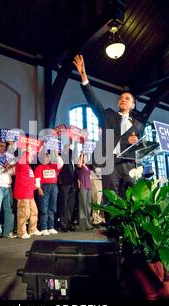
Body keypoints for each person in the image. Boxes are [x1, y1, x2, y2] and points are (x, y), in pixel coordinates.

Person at [73, 55, 144, 204]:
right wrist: (83, 76)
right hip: (110, 164)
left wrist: (135, 143)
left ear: (133, 105)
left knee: (133, 199)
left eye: (127, 98)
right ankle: (112, 227)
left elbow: (140, 148)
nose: (123, 99)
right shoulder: (108, 115)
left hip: (130, 165)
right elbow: (94, 102)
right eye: (121, 98)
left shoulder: (138, 125)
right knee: (111, 201)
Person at [0, 140, 17, 241]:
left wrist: (10, 168)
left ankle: (8, 232)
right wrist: (3, 168)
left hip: (8, 187)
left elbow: (13, 172)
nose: (2, 148)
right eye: (0, 146)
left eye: (4, 146)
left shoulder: (9, 157)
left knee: (9, 210)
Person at [14, 149, 42, 239]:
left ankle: (32, 229)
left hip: (30, 194)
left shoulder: (28, 167)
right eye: (30, 156)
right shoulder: (21, 164)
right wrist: (28, 149)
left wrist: (34, 185)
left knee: (34, 212)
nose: (32, 157)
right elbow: (23, 157)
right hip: (22, 193)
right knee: (24, 213)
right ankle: (21, 232)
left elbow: (30, 178)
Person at [34, 149, 63, 236]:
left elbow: (61, 164)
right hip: (44, 187)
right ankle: (43, 228)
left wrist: (57, 155)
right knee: (44, 207)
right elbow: (37, 179)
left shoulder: (53, 166)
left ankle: (51, 227)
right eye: (46, 157)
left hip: (54, 187)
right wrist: (39, 188)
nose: (48, 158)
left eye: (49, 157)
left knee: (52, 207)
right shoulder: (40, 167)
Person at [76, 152, 93, 231]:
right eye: (84, 157)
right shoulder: (80, 166)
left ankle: (88, 224)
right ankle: (82, 225)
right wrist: (82, 154)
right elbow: (79, 164)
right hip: (83, 186)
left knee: (88, 205)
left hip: (89, 186)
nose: (86, 158)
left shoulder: (88, 167)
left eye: (86, 157)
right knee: (83, 205)